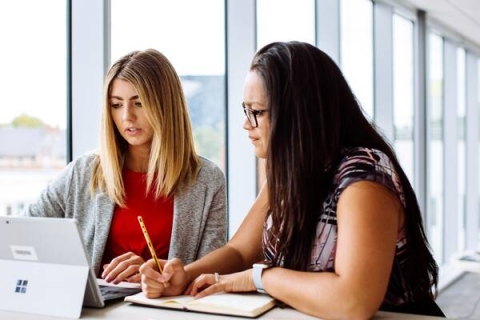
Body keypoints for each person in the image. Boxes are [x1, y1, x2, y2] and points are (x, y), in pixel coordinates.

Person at [139, 41, 445, 319]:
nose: (246, 124)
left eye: (256, 112)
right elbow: (241, 252)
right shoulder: (289, 171)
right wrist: (184, 275)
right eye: (245, 110)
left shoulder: (364, 178)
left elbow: (353, 302)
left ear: (298, 113)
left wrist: (260, 278)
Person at [22, 49, 227, 284]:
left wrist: (157, 276)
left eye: (139, 103)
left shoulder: (207, 180)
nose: (127, 116)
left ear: (166, 105)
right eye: (116, 105)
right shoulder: (82, 173)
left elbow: (211, 276)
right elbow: (22, 234)